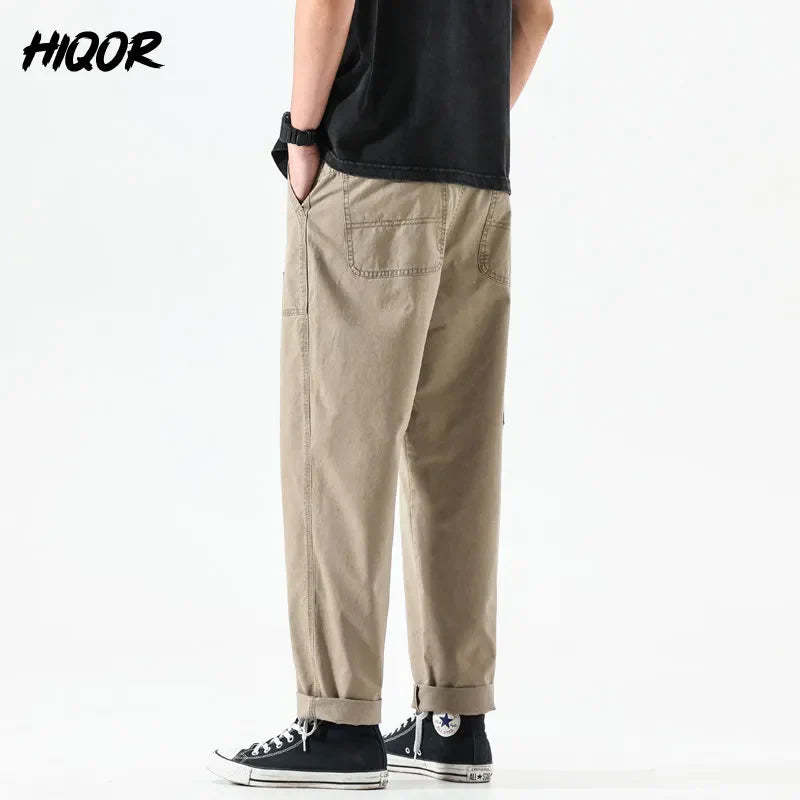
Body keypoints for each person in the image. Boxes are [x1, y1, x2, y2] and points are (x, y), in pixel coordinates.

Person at [208, 0, 553, 789]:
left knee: (338, 454)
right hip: (477, 186)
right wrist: (460, 123)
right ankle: (453, 721)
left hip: (370, 179)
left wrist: (302, 138)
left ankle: (337, 725)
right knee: (457, 461)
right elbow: (535, 17)